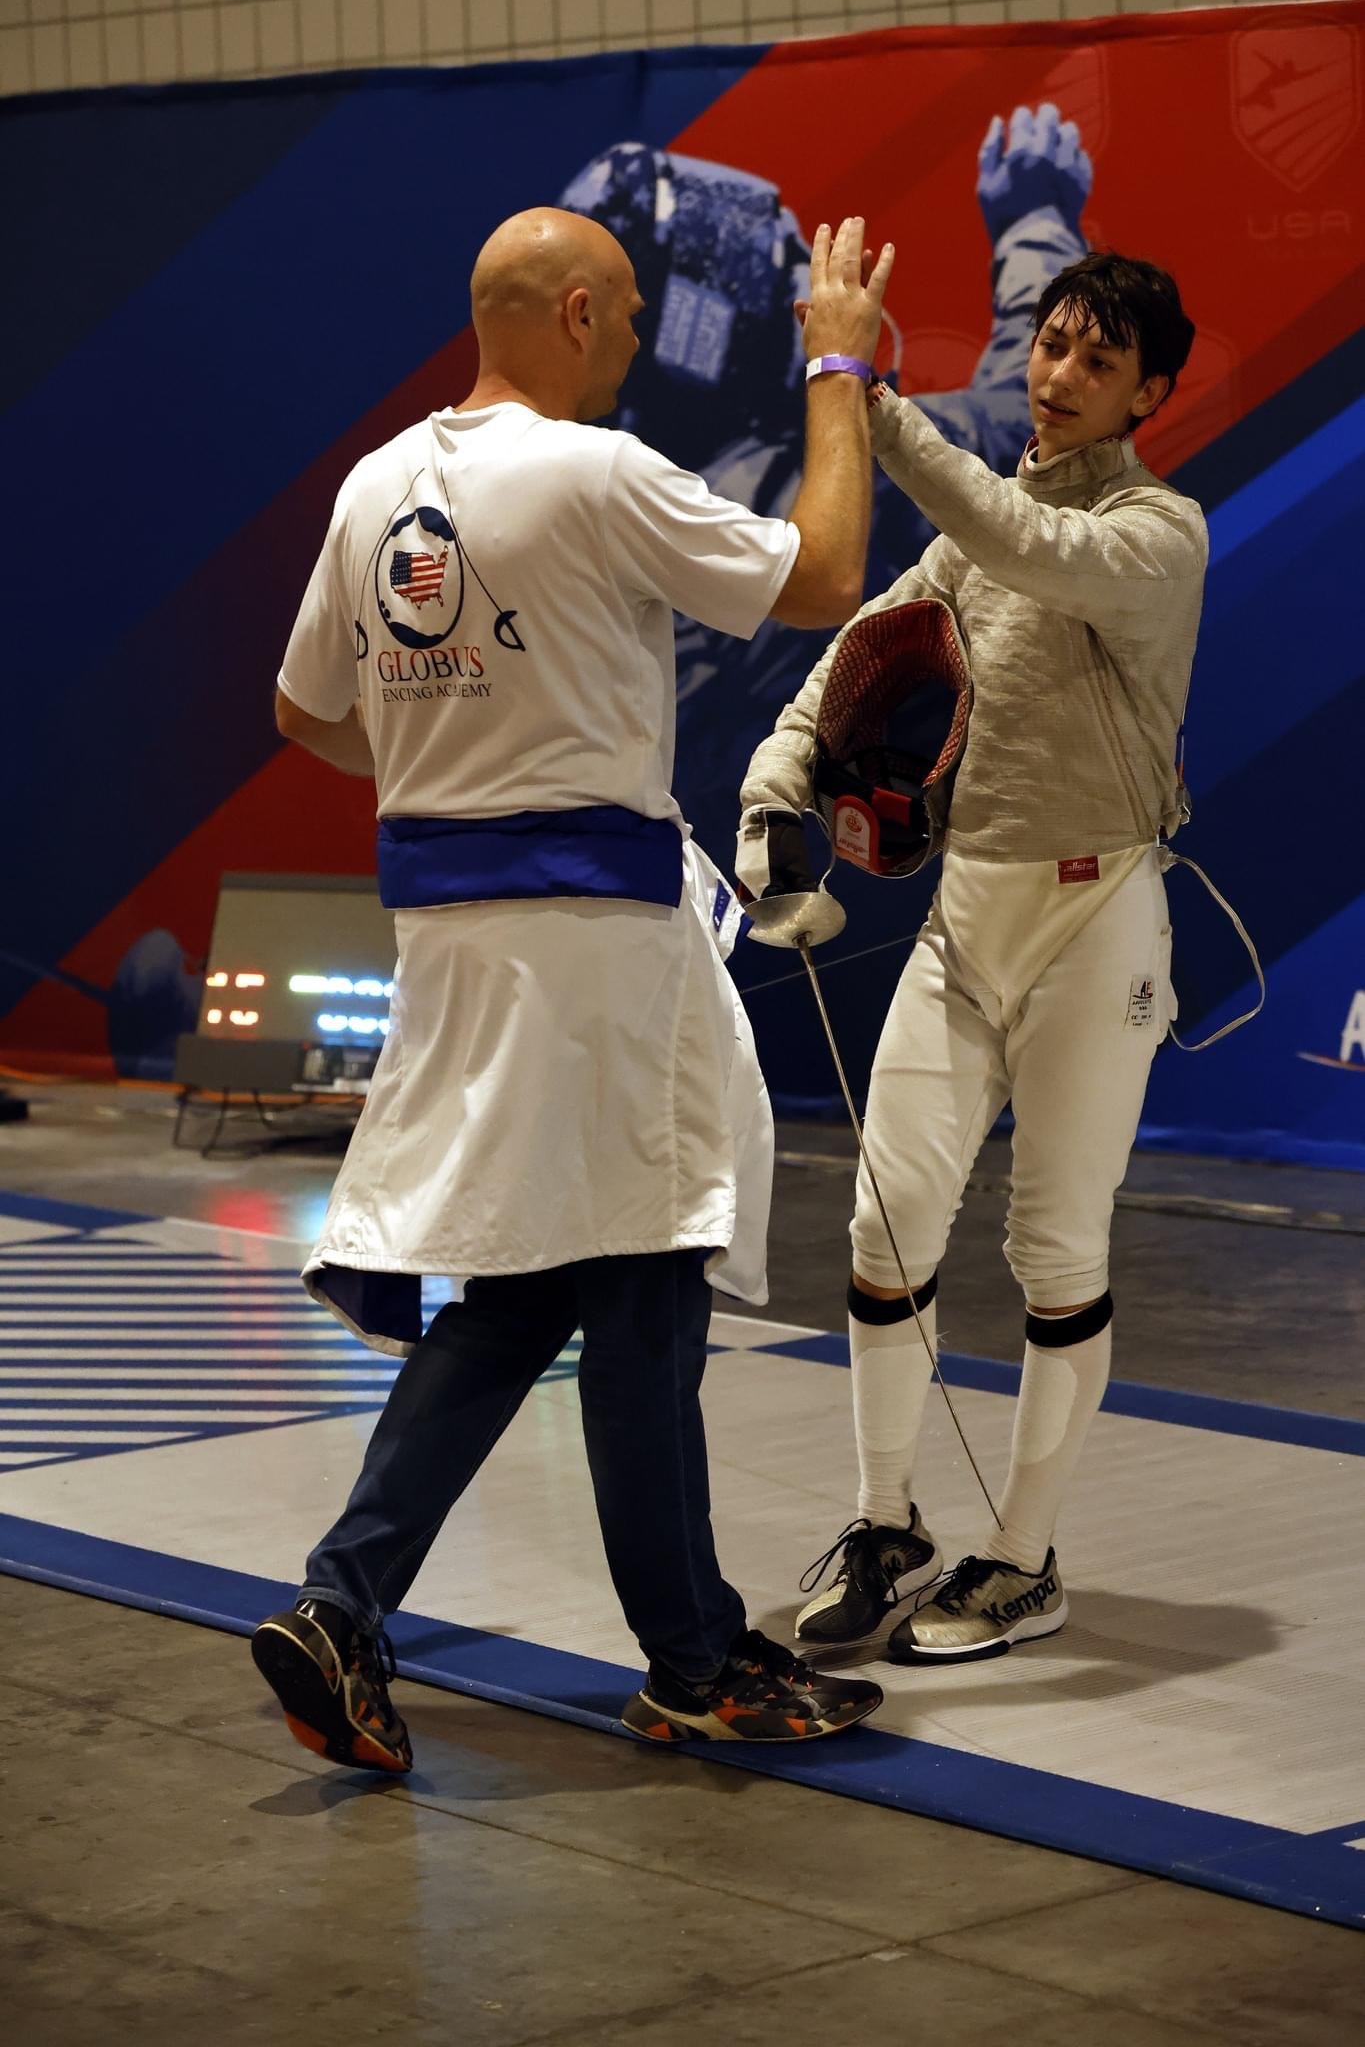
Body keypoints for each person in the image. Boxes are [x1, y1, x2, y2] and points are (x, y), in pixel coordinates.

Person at [251, 205, 895, 1769]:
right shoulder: (593, 474)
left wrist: (450, 762)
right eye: (618, 321)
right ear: (583, 313)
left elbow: (303, 710)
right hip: (599, 951)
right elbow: (817, 574)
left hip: (455, 947)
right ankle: (692, 1666)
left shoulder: (374, 485)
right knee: (646, 1289)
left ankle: (344, 1608)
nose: (624, 348)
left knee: (531, 1290)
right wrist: (838, 362)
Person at [738, 251, 1205, 1663]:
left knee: (1054, 1247)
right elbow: (850, 668)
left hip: (1096, 919)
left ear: (1149, 394)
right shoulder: (967, 536)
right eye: (1049, 345)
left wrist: (864, 400)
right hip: (967, 918)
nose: (1055, 378)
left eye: (1094, 362)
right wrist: (773, 795)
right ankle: (886, 1527)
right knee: (887, 1232)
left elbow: (1025, 545)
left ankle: (1020, 1560)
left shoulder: (1156, 534)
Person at [560, 105, 1095, 858]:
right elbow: (1025, 420)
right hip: (819, 867)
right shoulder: (786, 482)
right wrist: (1034, 216)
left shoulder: (596, 480)